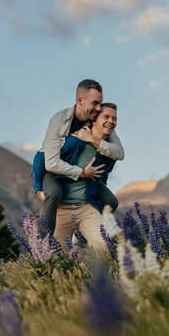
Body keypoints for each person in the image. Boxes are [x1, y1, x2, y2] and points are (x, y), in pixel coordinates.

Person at [37, 79, 124, 234]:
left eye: (100, 104)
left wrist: (92, 139)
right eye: (95, 103)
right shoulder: (60, 120)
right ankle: (43, 239)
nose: (98, 108)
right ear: (80, 101)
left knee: (110, 201)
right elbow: (46, 161)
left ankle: (86, 232)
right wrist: (82, 173)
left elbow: (119, 152)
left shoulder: (98, 120)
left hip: (83, 176)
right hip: (52, 171)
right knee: (54, 193)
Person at [32, 102, 119, 250]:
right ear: (94, 120)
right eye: (106, 117)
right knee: (57, 260)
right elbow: (40, 158)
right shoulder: (73, 140)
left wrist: (96, 194)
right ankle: (42, 236)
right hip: (62, 208)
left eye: (114, 118)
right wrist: (38, 189)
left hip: (85, 208)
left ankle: (84, 236)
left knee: (103, 246)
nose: (111, 121)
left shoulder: (109, 152)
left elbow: (104, 175)